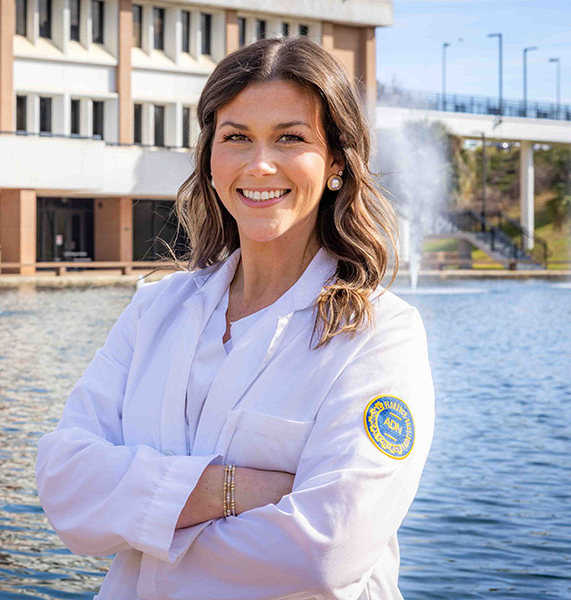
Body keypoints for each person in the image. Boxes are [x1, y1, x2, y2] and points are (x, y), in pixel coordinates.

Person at [36, 37, 435, 599]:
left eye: (290, 138)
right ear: (210, 158)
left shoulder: (378, 336)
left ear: (338, 164)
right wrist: (234, 490)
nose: (259, 164)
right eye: (236, 138)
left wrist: (141, 522)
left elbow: (326, 551)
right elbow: (63, 484)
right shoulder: (155, 310)